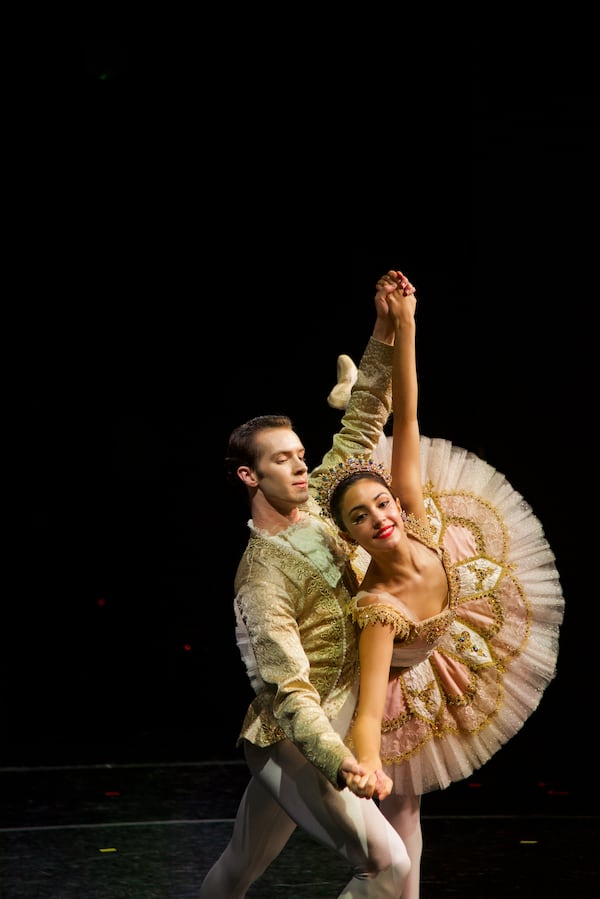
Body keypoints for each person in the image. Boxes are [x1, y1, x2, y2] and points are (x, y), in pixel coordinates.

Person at [317, 271, 565, 898]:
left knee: (413, 813)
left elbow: (412, 413)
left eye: (381, 503)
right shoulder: (377, 610)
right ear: (351, 537)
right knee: (396, 816)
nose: (381, 518)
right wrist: (365, 763)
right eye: (361, 518)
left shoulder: (419, 515)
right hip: (399, 678)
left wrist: (406, 326)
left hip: (443, 646)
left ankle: (353, 394)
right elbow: (369, 707)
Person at [199, 271, 420, 899]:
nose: (300, 465)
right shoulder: (259, 575)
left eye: (300, 454)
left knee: (241, 866)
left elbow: (361, 422)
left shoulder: (323, 507)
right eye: (282, 459)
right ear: (249, 475)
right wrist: (341, 760)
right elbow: (287, 687)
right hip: (295, 740)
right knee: (389, 864)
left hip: (335, 721)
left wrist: (382, 332)